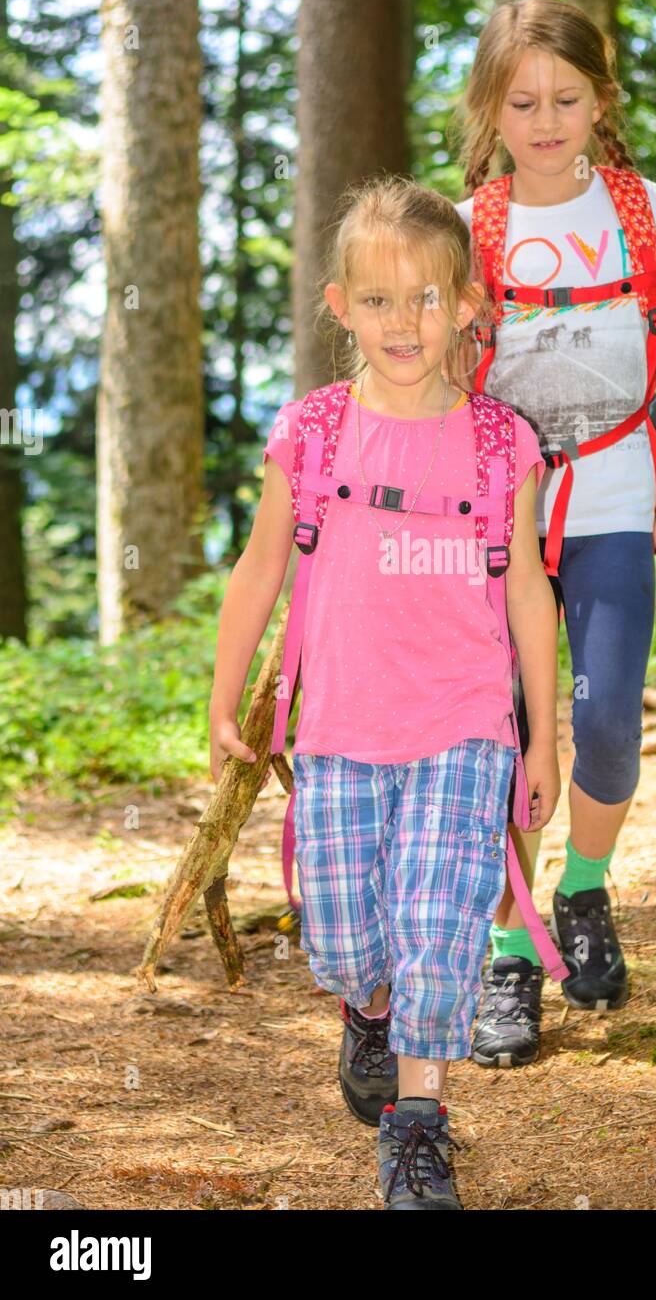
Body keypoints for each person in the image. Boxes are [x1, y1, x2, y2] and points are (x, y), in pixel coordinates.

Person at [208, 176, 561, 1209]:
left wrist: (540, 741)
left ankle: (416, 1128)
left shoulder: (502, 444)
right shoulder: (312, 435)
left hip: (463, 724)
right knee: (349, 933)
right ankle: (366, 1006)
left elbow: (530, 595)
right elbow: (258, 569)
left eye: (422, 299)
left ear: (464, 305)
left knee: (435, 917)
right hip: (338, 731)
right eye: (375, 299)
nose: (399, 322)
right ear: (337, 304)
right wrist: (225, 700)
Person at [449, 0, 656, 1067]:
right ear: (490, 110)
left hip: (609, 497)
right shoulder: (468, 227)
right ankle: (508, 950)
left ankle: (586, 888)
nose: (545, 118)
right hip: (499, 517)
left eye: (566, 97)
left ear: (599, 102)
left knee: (603, 720)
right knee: (510, 733)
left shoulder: (640, 209)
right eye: (522, 101)